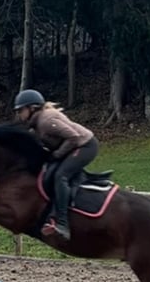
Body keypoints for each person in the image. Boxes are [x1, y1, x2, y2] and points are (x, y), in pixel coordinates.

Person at [13, 89, 98, 241]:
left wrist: (56, 155)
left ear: (32, 108)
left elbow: (74, 137)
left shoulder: (46, 121)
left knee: (61, 176)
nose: (19, 114)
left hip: (85, 146)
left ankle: (63, 223)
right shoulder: (37, 123)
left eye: (21, 110)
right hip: (74, 146)